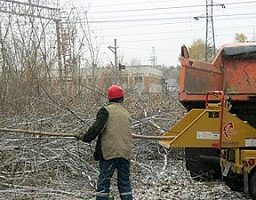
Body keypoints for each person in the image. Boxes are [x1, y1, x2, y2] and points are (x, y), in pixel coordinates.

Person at [75, 85, 133, 200]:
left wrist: (84, 137)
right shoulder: (126, 113)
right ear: (122, 98)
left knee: (103, 183)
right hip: (125, 153)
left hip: (110, 153)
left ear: (109, 98)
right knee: (125, 183)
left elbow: (96, 129)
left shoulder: (105, 111)